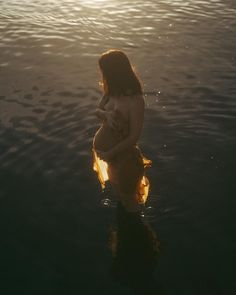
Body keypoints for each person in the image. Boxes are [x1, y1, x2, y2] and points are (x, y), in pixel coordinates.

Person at [93, 49, 151, 212]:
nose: (102, 75)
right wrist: (107, 115)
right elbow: (97, 111)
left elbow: (134, 137)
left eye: (104, 71)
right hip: (111, 159)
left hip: (124, 161)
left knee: (131, 205)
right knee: (121, 200)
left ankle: (138, 233)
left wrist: (110, 153)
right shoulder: (111, 92)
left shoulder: (136, 101)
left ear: (115, 72)